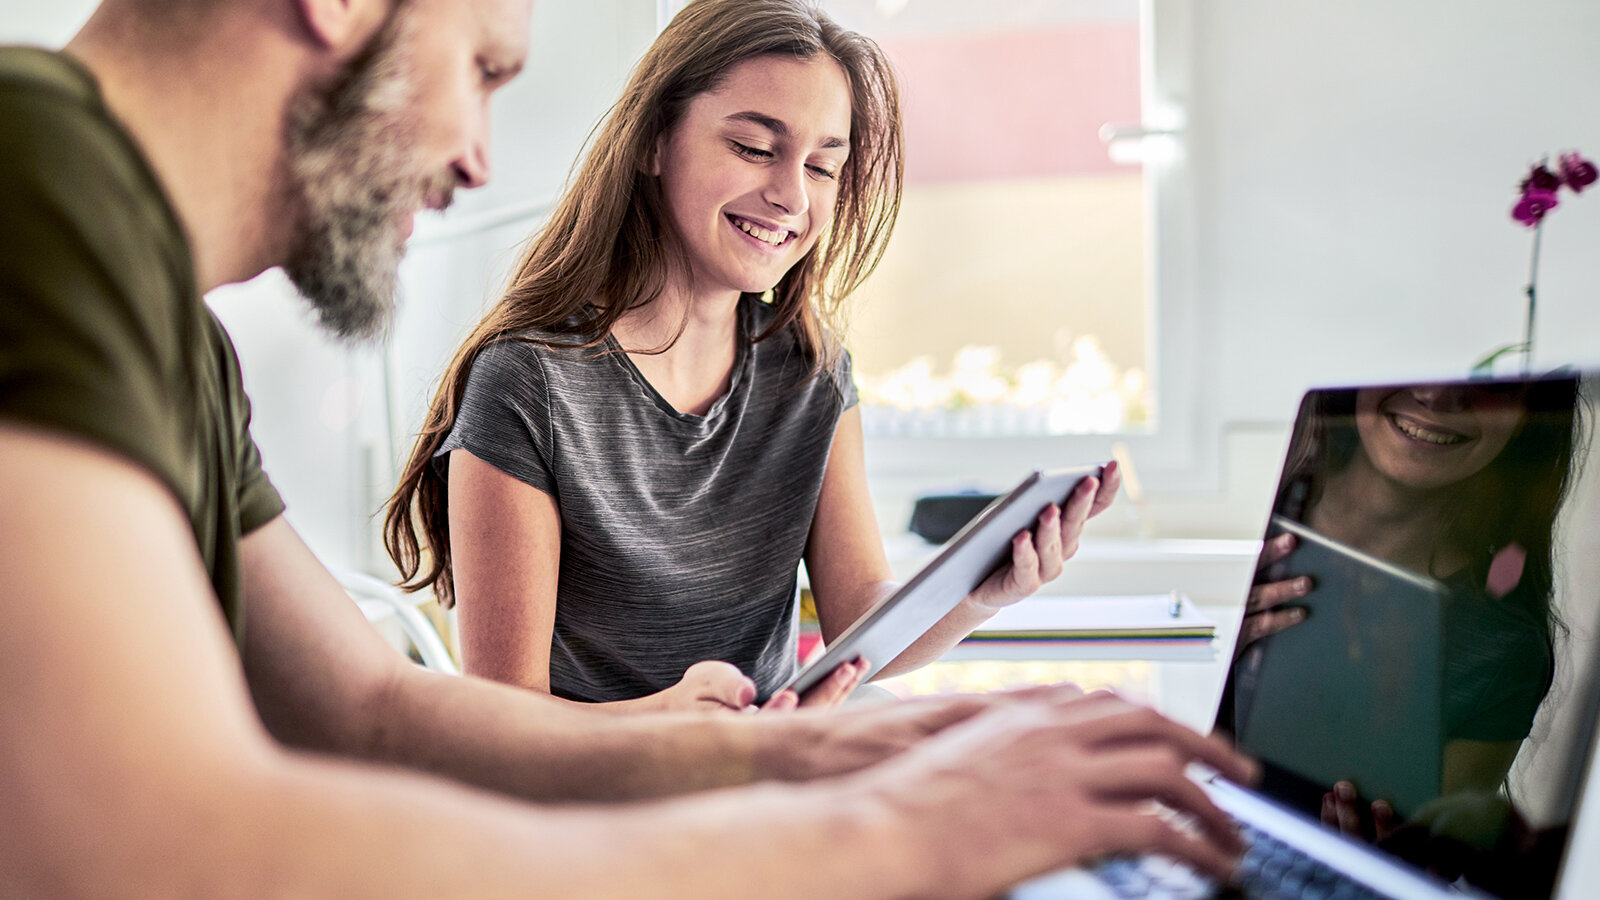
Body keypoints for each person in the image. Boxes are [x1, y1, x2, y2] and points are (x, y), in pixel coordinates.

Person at [0, 0, 1255, 895]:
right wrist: (874, 836)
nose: (479, 154)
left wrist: (803, 748)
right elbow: (135, 846)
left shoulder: (173, 333)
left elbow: (373, 712)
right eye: (486, 66)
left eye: (822, 163)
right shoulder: (38, 176)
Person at [383, 0, 1121, 713]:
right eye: (755, 148)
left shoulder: (812, 374)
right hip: (595, 814)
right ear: (654, 141)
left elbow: (861, 626)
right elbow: (504, 721)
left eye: (823, 166)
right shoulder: (527, 384)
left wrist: (978, 592)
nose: (791, 195)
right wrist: (667, 725)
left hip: (764, 787)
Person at [1232, 377, 1584, 834]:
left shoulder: (1503, 649)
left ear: (1529, 413)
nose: (1438, 396)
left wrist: (1384, 859)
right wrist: (1206, 650)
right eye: (1419, 364)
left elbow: (1423, 858)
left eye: (1490, 380)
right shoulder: (1232, 516)